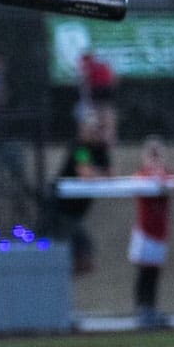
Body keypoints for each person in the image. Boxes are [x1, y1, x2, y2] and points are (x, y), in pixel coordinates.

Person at [128, 135, 174, 330]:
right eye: (152, 154)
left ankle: (151, 309)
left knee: (154, 273)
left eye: (158, 154)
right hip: (145, 232)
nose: (155, 158)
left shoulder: (168, 174)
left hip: (160, 233)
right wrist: (162, 181)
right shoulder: (142, 175)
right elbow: (143, 183)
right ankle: (142, 311)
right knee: (144, 273)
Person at [53, 112, 112, 275]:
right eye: (89, 127)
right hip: (61, 209)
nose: (92, 131)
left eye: (95, 128)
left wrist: (97, 173)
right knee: (82, 250)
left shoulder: (100, 149)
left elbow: (111, 172)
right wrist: (98, 173)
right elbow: (85, 173)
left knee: (85, 255)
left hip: (77, 212)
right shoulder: (80, 147)